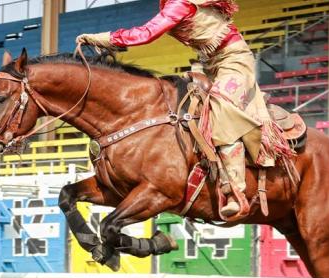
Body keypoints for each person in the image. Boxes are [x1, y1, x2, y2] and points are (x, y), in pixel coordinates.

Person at [77, 0, 293, 219]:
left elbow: (147, 33)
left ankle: (235, 191)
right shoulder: (172, 4)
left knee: (221, 110)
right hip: (210, 64)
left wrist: (102, 38)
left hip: (233, 61)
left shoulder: (179, 4)